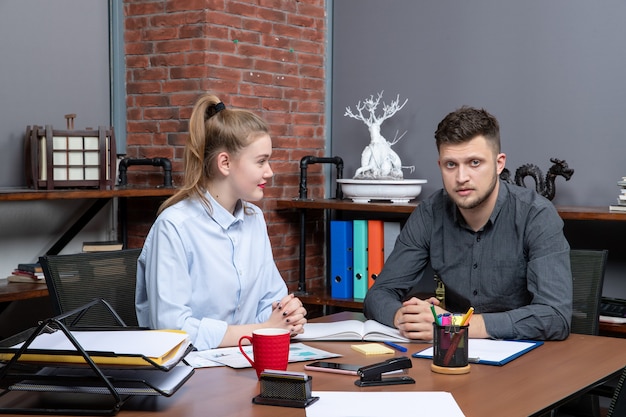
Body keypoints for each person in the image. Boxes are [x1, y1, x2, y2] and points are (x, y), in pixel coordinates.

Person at [363, 106, 572, 341]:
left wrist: (454, 324)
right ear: (440, 165)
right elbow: (378, 295)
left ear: (499, 163)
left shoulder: (536, 214)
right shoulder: (429, 213)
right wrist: (404, 317)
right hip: (452, 355)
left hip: (525, 361)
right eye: (451, 165)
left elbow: (555, 316)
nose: (461, 178)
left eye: (474, 163)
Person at [135, 94, 307, 350]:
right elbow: (172, 328)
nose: (269, 172)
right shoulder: (174, 226)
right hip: (189, 375)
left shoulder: (254, 218)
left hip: (243, 362)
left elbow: (270, 302)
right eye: (261, 161)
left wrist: (287, 314)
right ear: (225, 163)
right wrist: (263, 330)